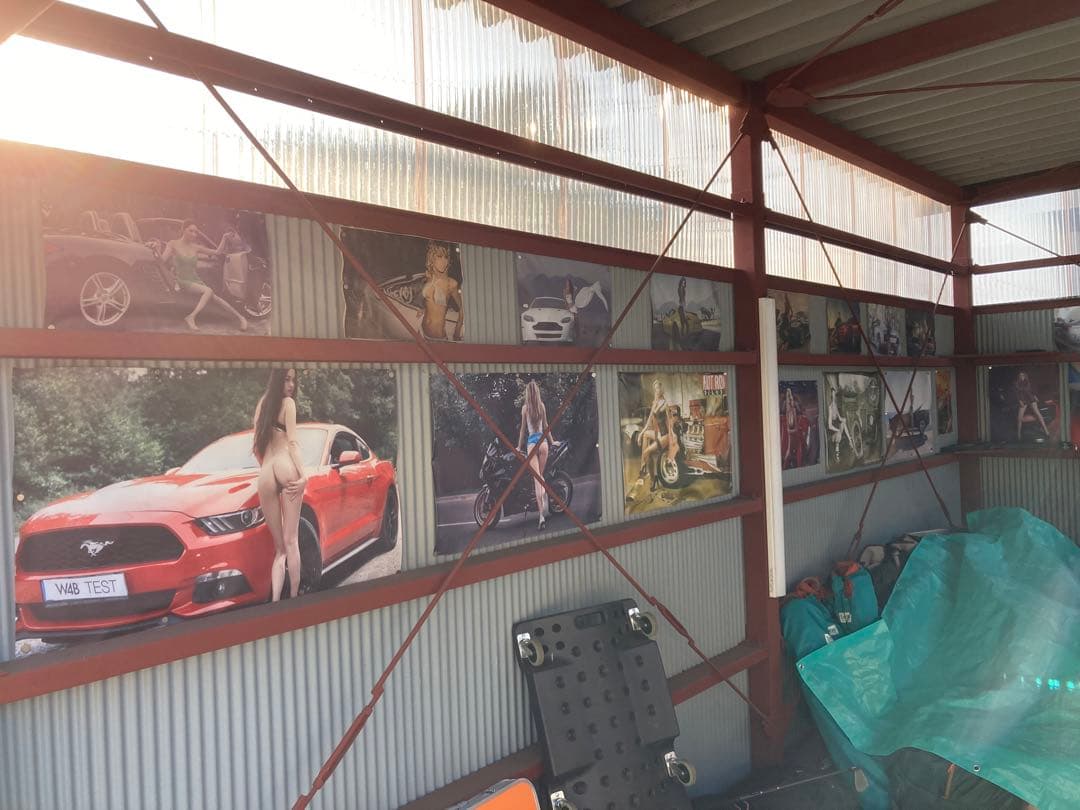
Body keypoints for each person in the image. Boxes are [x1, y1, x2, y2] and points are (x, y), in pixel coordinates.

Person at [253, 368, 308, 601]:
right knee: (291, 540)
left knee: (280, 550)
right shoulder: (288, 404)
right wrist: (303, 475)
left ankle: (276, 603)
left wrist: (267, 465)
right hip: (285, 464)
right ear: (277, 380)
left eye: (293, 380)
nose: (291, 385)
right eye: (287, 380)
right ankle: (294, 600)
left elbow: (256, 447)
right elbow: (292, 443)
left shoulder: (262, 405)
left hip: (266, 472)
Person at [161, 220, 248, 332]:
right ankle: (191, 317)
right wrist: (155, 248)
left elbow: (217, 252)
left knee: (216, 299)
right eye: (191, 231)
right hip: (181, 280)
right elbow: (162, 261)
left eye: (196, 232)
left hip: (195, 280)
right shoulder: (173, 244)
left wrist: (224, 238)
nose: (194, 234)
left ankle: (241, 318)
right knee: (208, 291)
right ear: (183, 230)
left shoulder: (196, 247)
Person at [517, 380, 550, 529]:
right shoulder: (542, 406)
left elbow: (523, 430)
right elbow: (546, 426)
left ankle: (541, 516)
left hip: (531, 444)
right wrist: (553, 441)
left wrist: (519, 447)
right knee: (541, 477)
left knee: (537, 480)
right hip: (543, 443)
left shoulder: (525, 409)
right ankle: (544, 495)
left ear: (527, 394)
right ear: (537, 392)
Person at [421, 242, 464, 341]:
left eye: (446, 257)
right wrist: (424, 308)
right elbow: (430, 301)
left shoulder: (451, 283)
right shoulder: (429, 277)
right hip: (422, 331)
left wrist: (457, 331)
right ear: (432, 259)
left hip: (438, 338)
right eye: (439, 257)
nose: (444, 261)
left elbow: (463, 308)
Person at [1014, 370, 1050, 441]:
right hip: (1023, 400)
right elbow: (1017, 393)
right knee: (1019, 418)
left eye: (1023, 375)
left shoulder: (1028, 382)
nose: (1021, 377)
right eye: (1020, 375)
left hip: (1030, 399)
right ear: (1018, 377)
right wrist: (1019, 401)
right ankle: (1018, 435)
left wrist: (1035, 396)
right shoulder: (1016, 384)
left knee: (1038, 414)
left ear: (1025, 376)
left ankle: (1046, 431)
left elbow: (1032, 390)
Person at [827, 384, 857, 461]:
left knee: (843, 423)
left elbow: (840, 418)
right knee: (838, 434)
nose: (834, 398)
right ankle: (837, 456)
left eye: (834, 396)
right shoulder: (830, 408)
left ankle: (850, 442)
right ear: (831, 397)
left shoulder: (835, 406)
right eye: (832, 396)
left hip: (837, 429)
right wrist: (838, 430)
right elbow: (829, 426)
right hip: (832, 433)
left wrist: (844, 419)